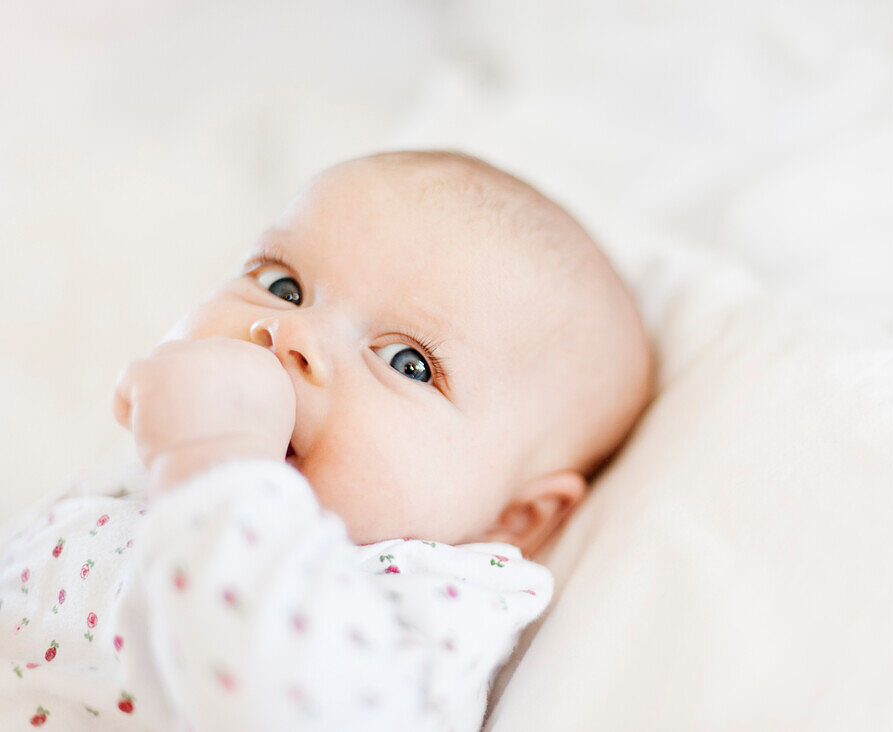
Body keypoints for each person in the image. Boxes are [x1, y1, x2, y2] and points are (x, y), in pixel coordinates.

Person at [0, 150, 656, 730]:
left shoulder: (431, 595)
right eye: (284, 286)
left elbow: (298, 705)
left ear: (516, 517)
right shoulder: (146, 480)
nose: (294, 335)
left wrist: (215, 463)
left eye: (407, 362)